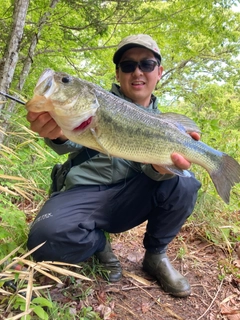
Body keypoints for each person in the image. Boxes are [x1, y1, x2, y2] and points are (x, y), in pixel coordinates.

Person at [27, 34, 201, 298]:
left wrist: (161, 170)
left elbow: (159, 174)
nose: (137, 72)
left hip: (131, 199)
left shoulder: (169, 126)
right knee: (43, 240)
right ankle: (98, 243)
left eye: (147, 64)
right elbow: (67, 140)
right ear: (118, 74)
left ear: (159, 71)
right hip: (83, 194)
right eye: (128, 65)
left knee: (185, 181)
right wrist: (57, 131)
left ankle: (155, 256)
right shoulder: (91, 104)